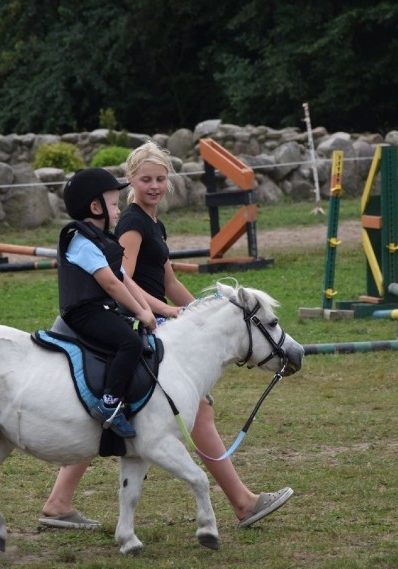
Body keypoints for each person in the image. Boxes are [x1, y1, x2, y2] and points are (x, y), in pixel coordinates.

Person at [40, 142, 293, 530]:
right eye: (146, 180)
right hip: (136, 320)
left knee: (128, 407)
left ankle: (59, 502)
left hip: (157, 319)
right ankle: (242, 502)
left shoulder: (153, 222)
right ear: (131, 182)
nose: (154, 185)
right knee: (195, 410)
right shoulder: (130, 223)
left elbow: (168, 279)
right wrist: (158, 312)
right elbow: (120, 278)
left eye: (160, 179)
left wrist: (203, 318)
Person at [57, 167, 157, 441]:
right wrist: (139, 311)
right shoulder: (82, 243)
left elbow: (124, 278)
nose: (117, 210)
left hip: (98, 309)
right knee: (130, 343)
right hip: (83, 313)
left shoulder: (100, 240)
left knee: (136, 333)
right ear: (95, 206)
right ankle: (109, 404)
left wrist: (153, 311)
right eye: (113, 205)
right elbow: (111, 284)